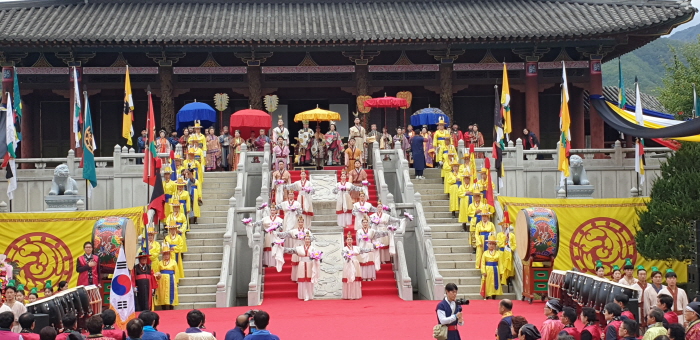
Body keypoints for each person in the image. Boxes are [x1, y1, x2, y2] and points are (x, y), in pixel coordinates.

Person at [284, 232, 321, 301]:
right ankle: (304, 295)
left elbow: (317, 257)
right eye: (306, 239)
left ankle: (310, 295)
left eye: (308, 239)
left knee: (309, 280)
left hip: (310, 264)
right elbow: (292, 251)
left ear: (310, 240)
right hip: (302, 264)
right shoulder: (299, 248)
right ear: (304, 240)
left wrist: (317, 259)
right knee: (302, 280)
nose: (307, 240)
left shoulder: (313, 249)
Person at [342, 232, 368, 300]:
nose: (349, 241)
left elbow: (363, 251)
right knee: (349, 278)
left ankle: (355, 295)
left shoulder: (356, 248)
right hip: (348, 264)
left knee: (356, 278)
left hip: (355, 263)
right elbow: (343, 256)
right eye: (348, 239)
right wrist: (349, 255)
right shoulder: (344, 249)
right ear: (346, 241)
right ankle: (348, 295)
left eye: (350, 239)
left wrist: (371, 249)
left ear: (352, 240)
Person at [155, 243, 178, 310]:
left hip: (171, 278)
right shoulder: (160, 262)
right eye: (165, 254)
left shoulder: (173, 262)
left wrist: (176, 280)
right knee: (162, 293)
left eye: (167, 254)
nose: (166, 256)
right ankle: (163, 307)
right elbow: (157, 271)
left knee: (171, 292)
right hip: (161, 280)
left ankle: (171, 306)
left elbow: (176, 272)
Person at [261, 205, 284, 270]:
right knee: (268, 247)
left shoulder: (279, 219)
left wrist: (276, 226)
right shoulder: (266, 219)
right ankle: (268, 263)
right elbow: (264, 224)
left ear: (276, 211)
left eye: (274, 210)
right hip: (268, 234)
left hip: (275, 234)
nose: (272, 211)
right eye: (271, 210)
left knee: (275, 247)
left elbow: (281, 227)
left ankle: (276, 263)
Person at [481, 234, 503, 299]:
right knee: (488, 282)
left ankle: (494, 295)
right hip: (488, 269)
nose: (491, 245)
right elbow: (482, 263)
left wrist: (501, 272)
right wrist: (483, 271)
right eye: (490, 244)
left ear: (495, 245)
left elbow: (501, 263)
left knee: (495, 282)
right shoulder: (485, 253)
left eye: (493, 244)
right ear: (488, 245)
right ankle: (487, 295)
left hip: (495, 269)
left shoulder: (498, 253)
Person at [497, 212, 517, 285]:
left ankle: (508, 279)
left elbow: (514, 244)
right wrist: (505, 241)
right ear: (502, 226)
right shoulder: (499, 235)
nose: (505, 227)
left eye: (506, 225)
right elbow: (499, 243)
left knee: (509, 266)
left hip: (508, 252)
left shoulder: (512, 235)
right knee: (501, 266)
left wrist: (511, 248)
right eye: (503, 225)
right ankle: (502, 279)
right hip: (501, 252)